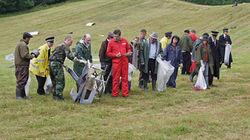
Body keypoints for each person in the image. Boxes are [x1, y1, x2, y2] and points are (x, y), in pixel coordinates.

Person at [49, 36, 79, 101]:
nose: (71, 44)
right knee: (60, 81)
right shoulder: (65, 46)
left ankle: (55, 95)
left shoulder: (59, 46)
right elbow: (69, 55)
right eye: (71, 42)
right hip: (57, 65)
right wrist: (75, 59)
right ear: (67, 41)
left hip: (51, 64)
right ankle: (59, 97)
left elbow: (54, 55)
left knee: (54, 80)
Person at [107, 29, 131, 97]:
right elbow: (108, 53)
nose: (115, 38)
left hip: (124, 61)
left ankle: (125, 93)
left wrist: (129, 52)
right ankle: (114, 94)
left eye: (116, 36)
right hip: (116, 62)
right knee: (115, 78)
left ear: (120, 36)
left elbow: (128, 48)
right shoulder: (111, 42)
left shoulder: (124, 41)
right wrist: (115, 55)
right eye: (114, 36)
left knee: (125, 78)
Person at [14, 32, 36, 99]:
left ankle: (23, 95)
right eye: (29, 39)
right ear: (26, 38)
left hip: (20, 65)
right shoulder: (23, 45)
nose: (29, 40)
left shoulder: (20, 44)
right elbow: (24, 55)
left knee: (23, 80)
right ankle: (19, 96)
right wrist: (32, 55)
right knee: (21, 81)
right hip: (22, 66)